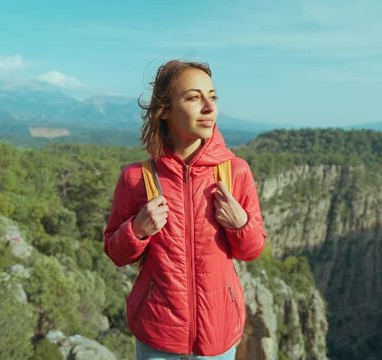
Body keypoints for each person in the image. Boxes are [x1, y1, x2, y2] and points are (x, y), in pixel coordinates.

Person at [103, 59, 266, 359]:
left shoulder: (235, 172)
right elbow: (115, 252)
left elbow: (251, 251)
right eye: (194, 97)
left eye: (213, 97)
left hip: (217, 336)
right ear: (164, 110)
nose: (209, 107)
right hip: (157, 333)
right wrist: (136, 230)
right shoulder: (136, 177)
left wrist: (241, 224)